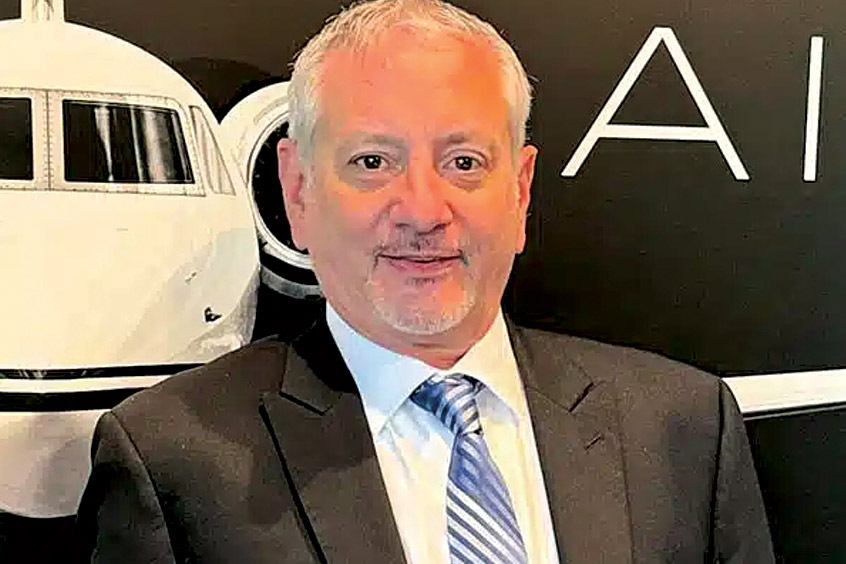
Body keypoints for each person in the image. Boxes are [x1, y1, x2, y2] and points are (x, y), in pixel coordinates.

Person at [75, 0, 775, 562]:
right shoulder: (174, 463)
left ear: (520, 190)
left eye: (464, 163)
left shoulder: (683, 431)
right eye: (373, 163)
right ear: (298, 190)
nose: (422, 210)